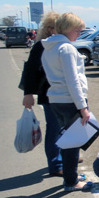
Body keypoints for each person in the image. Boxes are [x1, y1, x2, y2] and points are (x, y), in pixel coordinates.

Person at [41, 12, 93, 192]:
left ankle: (71, 175)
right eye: (78, 30)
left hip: (56, 99)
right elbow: (73, 80)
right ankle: (71, 181)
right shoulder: (66, 48)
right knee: (73, 142)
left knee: (66, 139)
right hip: (70, 100)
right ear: (68, 29)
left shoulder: (49, 47)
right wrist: (83, 107)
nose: (80, 34)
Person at [21, 11, 64, 176]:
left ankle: (62, 155)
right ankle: (55, 163)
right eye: (58, 27)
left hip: (60, 93)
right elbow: (31, 71)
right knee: (54, 128)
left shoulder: (58, 44)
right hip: (49, 93)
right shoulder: (42, 45)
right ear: (50, 29)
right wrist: (29, 93)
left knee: (63, 128)